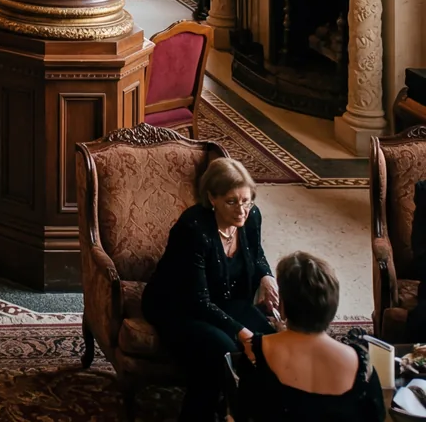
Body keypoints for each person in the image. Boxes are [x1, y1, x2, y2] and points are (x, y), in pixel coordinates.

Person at [144, 156, 279, 422]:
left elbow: (257, 252)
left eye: (246, 200)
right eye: (232, 201)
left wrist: (266, 276)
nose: (241, 210)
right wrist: (242, 334)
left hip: (226, 300)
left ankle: (247, 412)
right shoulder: (193, 229)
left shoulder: (251, 216)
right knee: (221, 350)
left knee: (270, 341)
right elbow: (198, 301)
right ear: (212, 198)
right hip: (179, 307)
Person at [235, 252, 384, 422]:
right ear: (332, 307)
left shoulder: (256, 352)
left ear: (282, 308)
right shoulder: (361, 363)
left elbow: (243, 413)